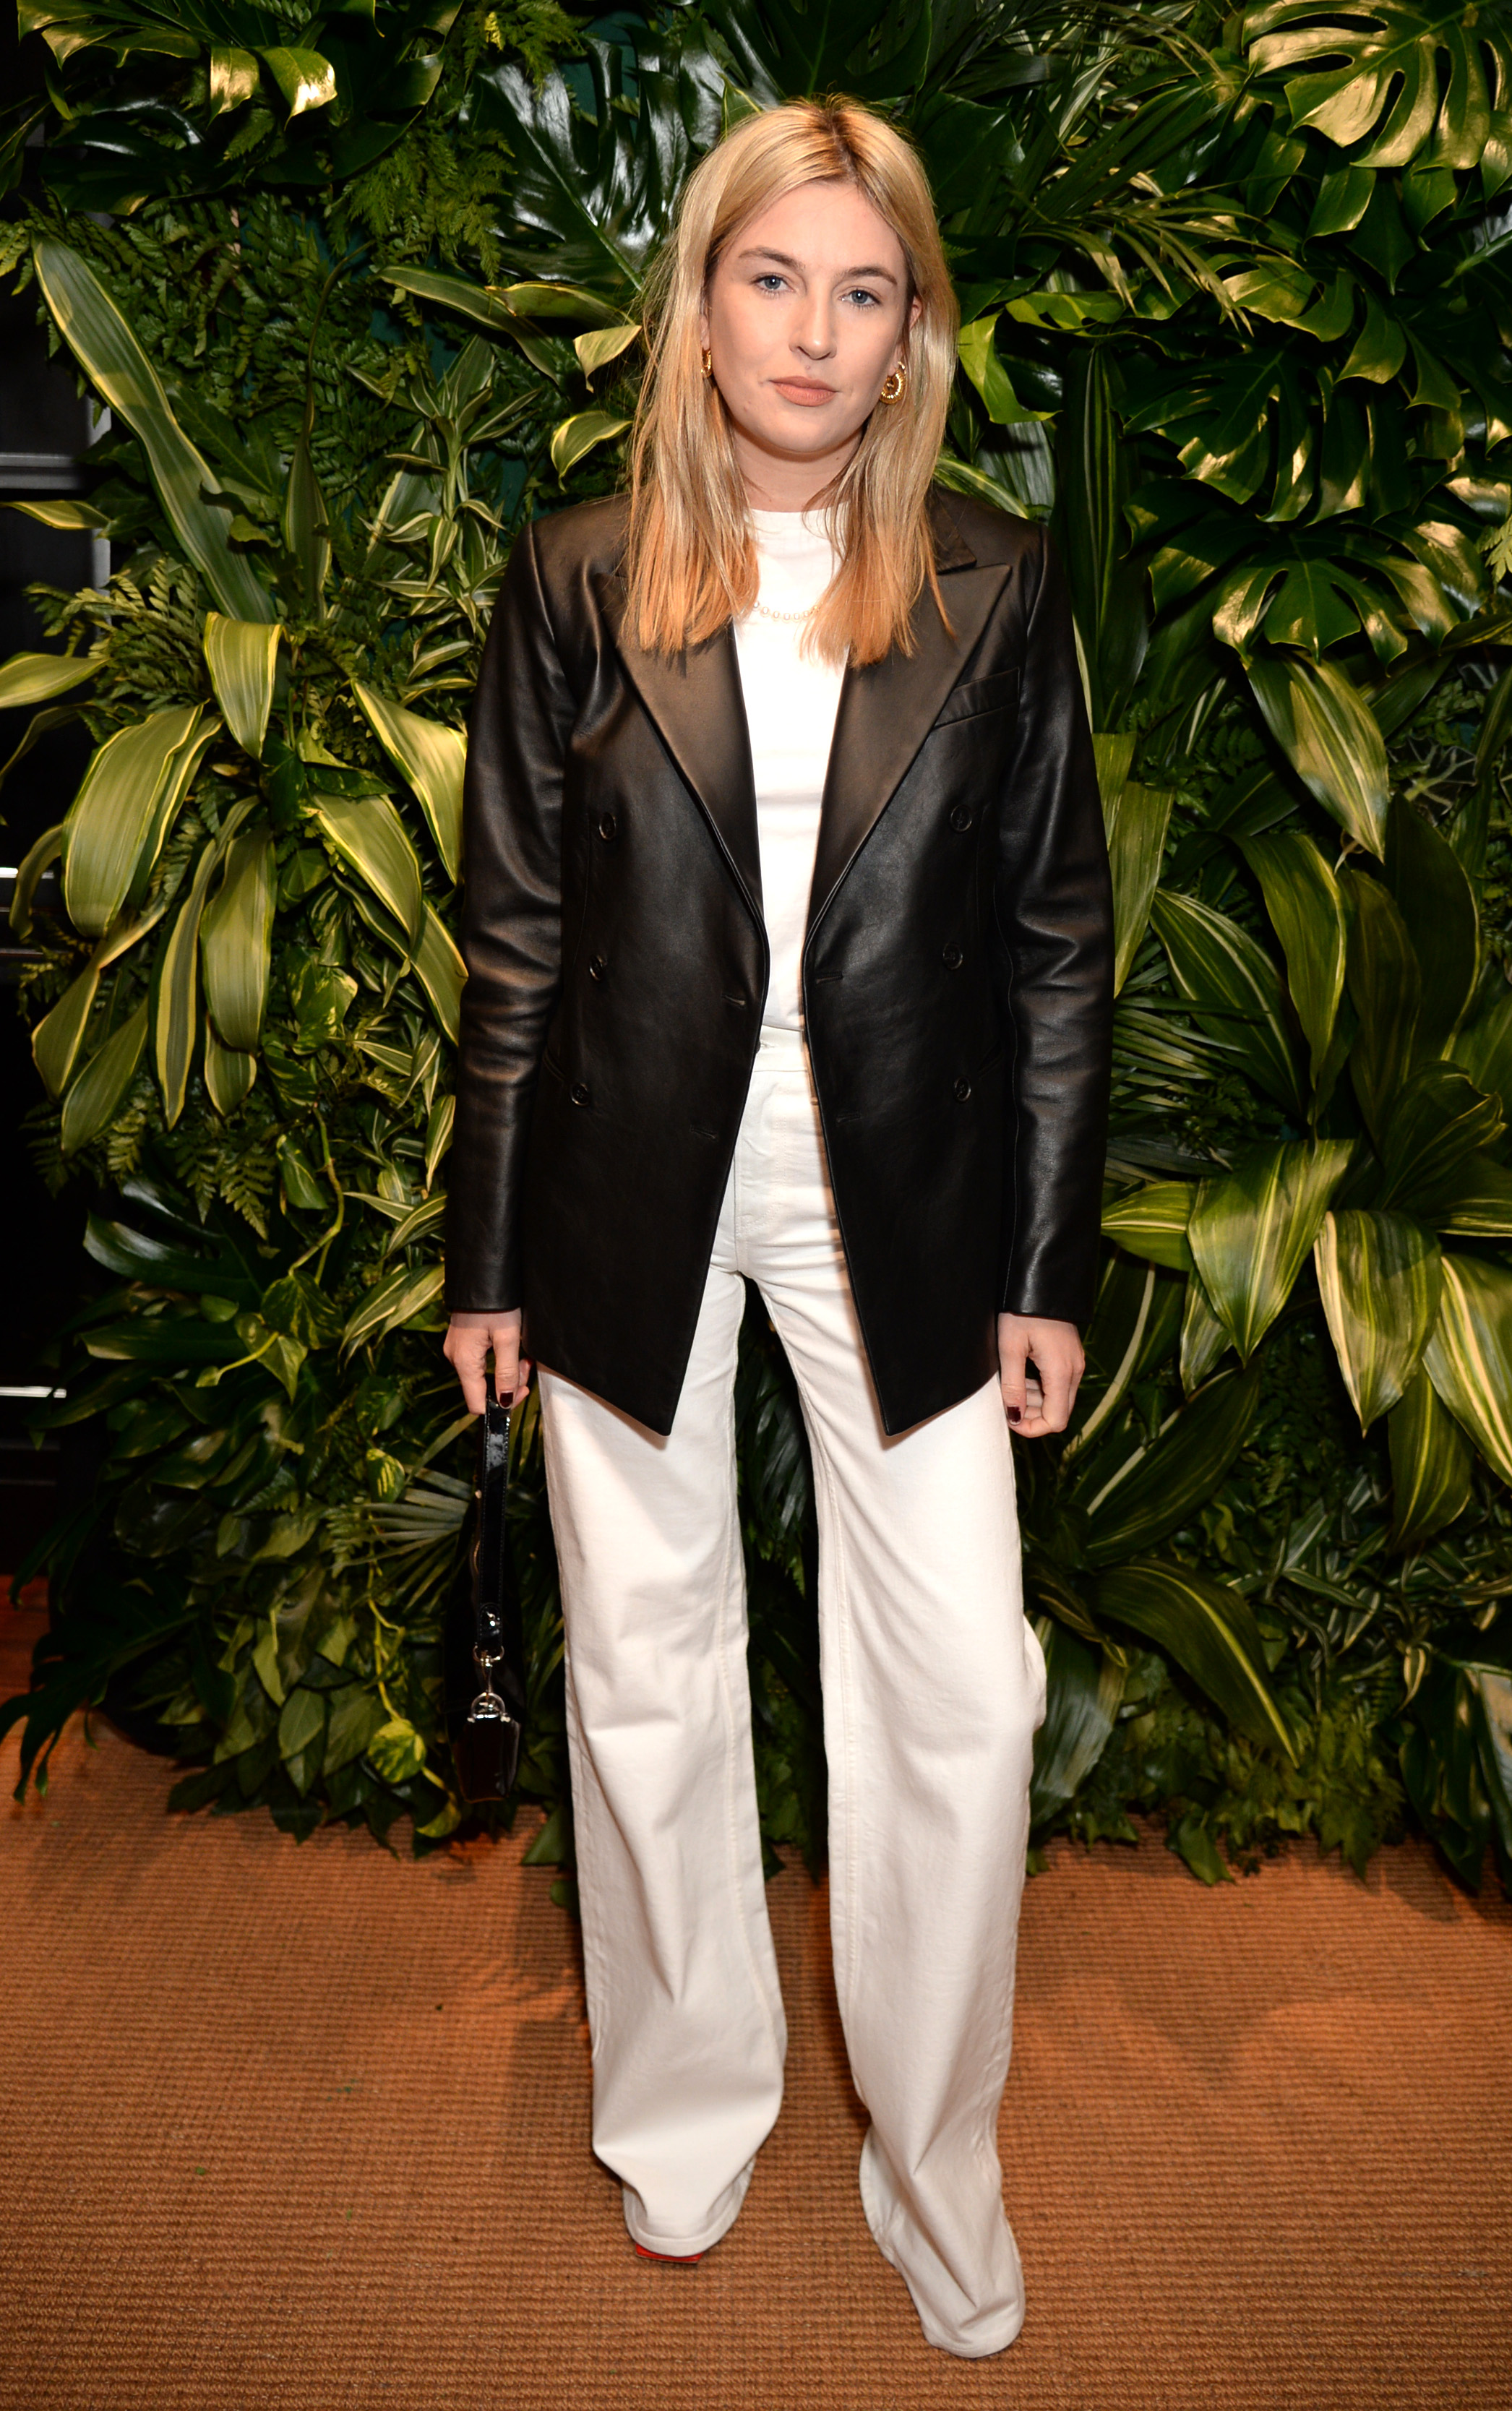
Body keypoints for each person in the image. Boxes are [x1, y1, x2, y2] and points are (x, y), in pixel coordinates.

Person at [442, 96, 1113, 2360]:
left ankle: (936, 2168)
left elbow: (1056, 941)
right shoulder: (576, 574)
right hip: (629, 1177)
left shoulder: (995, 581)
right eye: (773, 279)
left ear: (914, 332)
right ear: (702, 303)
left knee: (964, 1700)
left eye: (864, 290)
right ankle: (688, 2111)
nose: (815, 333)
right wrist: (488, 1255)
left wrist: (1043, 1268)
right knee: (644, 1670)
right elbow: (518, 941)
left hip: (901, 1197)